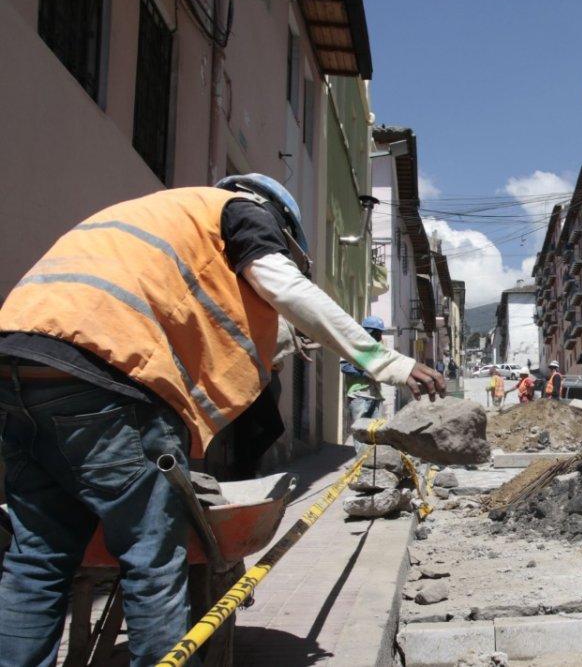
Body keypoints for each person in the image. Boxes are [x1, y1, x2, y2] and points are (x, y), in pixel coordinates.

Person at [0, 174, 445, 666]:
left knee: (37, 559)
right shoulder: (241, 213)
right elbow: (283, 285)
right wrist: (391, 364)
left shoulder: (162, 214)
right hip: (105, 373)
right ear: (279, 222)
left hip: (18, 365)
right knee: (151, 559)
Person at [341, 315, 387, 448]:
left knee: (374, 432)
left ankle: (370, 463)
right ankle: (361, 464)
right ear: (370, 332)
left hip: (376, 395)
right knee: (360, 431)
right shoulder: (354, 347)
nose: (381, 337)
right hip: (359, 395)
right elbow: (345, 367)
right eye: (379, 333)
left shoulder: (378, 348)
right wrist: (365, 374)